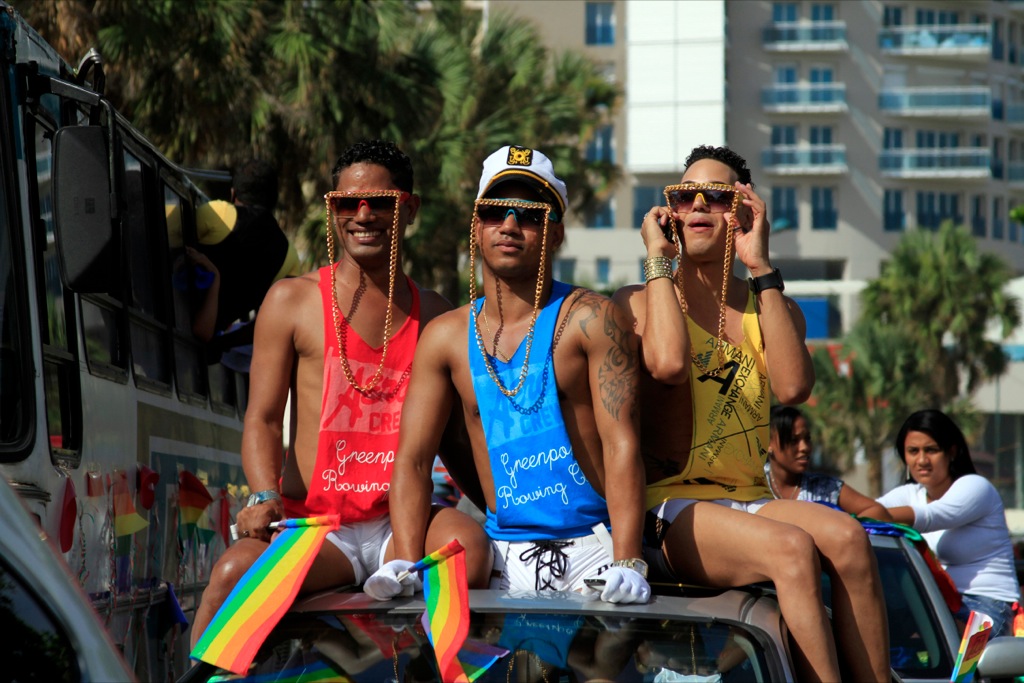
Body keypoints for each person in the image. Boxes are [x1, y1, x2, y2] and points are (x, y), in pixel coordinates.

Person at [190, 140, 491, 646]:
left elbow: (459, 439)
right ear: (333, 209)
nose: (363, 215)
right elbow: (263, 419)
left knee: (471, 550)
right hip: (317, 530)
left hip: (404, 525)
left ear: (409, 208)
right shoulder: (291, 301)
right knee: (230, 577)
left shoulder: (439, 315)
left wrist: (510, 513)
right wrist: (264, 496)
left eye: (380, 202)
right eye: (347, 204)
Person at [613, 145, 890, 682]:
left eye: (715, 196)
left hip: (750, 500)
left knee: (851, 540)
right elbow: (668, 363)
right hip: (669, 506)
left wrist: (760, 265)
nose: (696, 204)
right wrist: (658, 260)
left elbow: (794, 387)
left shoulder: (771, 304)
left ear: (742, 211)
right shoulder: (641, 298)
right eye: (683, 195)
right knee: (790, 550)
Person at [368, 145, 650, 604]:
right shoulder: (445, 336)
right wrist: (404, 556)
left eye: (530, 215)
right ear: (476, 227)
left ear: (555, 234)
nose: (511, 225)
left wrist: (628, 559)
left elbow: (623, 444)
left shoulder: (594, 318)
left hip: (595, 550)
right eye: (495, 211)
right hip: (500, 554)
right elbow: (414, 460)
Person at [878, 409, 1021, 636]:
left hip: (985, 606)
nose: (922, 460)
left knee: (941, 642)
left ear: (952, 451)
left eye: (931, 450)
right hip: (932, 603)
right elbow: (867, 513)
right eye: (913, 451)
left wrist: (869, 515)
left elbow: (932, 516)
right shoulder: (908, 494)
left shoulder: (976, 487)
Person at [189, 158, 301, 362]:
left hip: (163, 322)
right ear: (274, 199)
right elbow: (273, 321)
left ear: (233, 193)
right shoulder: (289, 255)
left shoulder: (218, 214)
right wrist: (223, 343)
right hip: (202, 352)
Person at [766, 405, 893, 520]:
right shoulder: (752, 484)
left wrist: (839, 529)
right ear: (767, 444)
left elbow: (877, 511)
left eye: (807, 438)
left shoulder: (825, 488)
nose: (804, 447)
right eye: (793, 440)